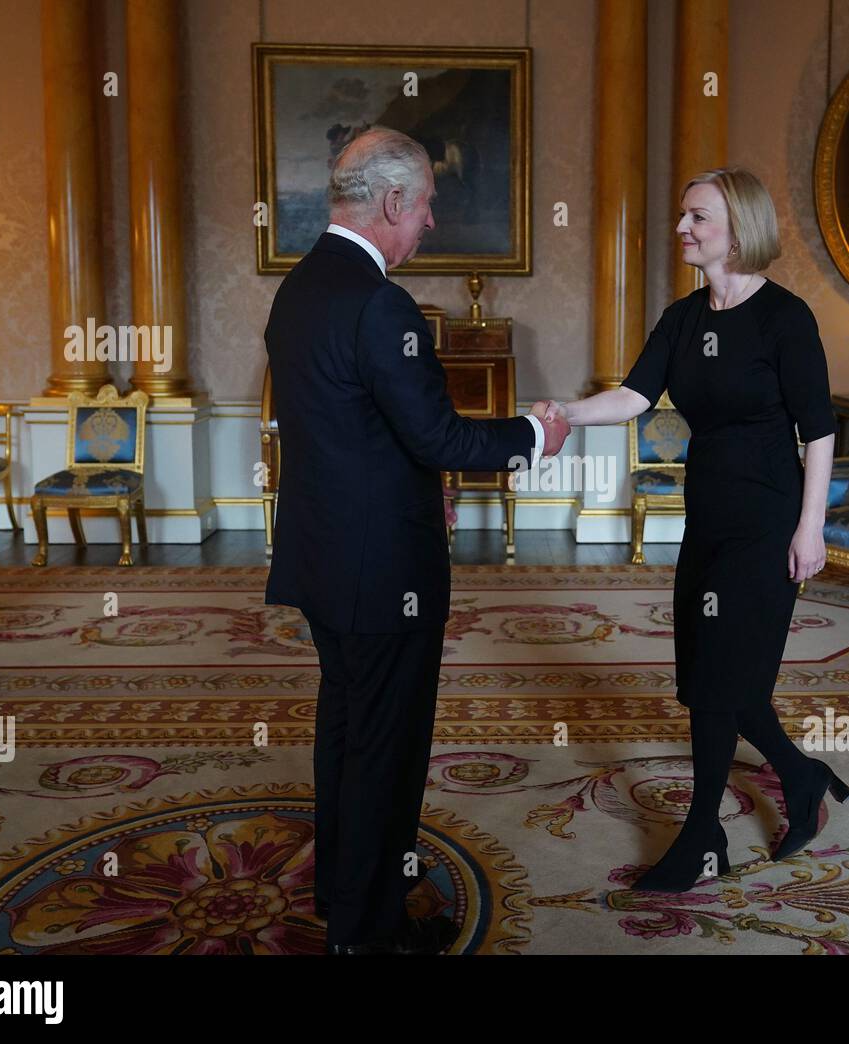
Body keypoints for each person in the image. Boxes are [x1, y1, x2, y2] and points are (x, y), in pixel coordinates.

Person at [264, 126, 570, 954]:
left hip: (325, 562)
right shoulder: (380, 304)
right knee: (386, 756)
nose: (431, 221)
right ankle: (370, 932)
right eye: (428, 204)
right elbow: (438, 439)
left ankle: (341, 894)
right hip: (381, 573)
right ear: (394, 201)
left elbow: (362, 436)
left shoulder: (298, 290)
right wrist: (535, 435)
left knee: (346, 734)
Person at [534, 167, 849, 891]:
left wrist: (812, 528)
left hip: (768, 522)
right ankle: (802, 778)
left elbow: (821, 430)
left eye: (697, 216)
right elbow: (634, 395)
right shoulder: (682, 319)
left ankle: (703, 836)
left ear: (738, 227)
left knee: (719, 686)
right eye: (682, 215)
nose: (682, 227)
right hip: (705, 520)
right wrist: (563, 416)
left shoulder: (786, 318)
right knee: (719, 681)